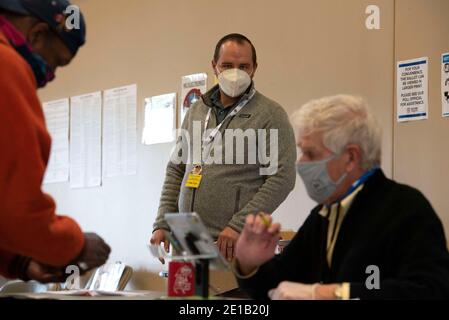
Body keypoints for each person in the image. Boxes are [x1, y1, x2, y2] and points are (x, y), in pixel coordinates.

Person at [233, 95, 449, 299]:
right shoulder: (324, 215)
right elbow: (277, 288)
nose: (301, 163)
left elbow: (430, 291)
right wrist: (250, 264)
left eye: (311, 154)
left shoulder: (407, 209)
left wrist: (329, 294)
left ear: (351, 157)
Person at [151, 33, 297, 261]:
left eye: (243, 66)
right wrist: (162, 222)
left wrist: (239, 225)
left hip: (235, 242)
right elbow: (176, 170)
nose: (235, 73)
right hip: (188, 240)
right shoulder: (196, 110)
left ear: (254, 68)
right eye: (227, 65)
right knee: (190, 297)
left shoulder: (270, 114)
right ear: (214, 66)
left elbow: (282, 177)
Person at [0, 0, 110, 283]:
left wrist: (20, 264)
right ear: (36, 34)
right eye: (55, 62)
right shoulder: (7, 65)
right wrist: (75, 244)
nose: (49, 77)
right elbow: (16, 207)